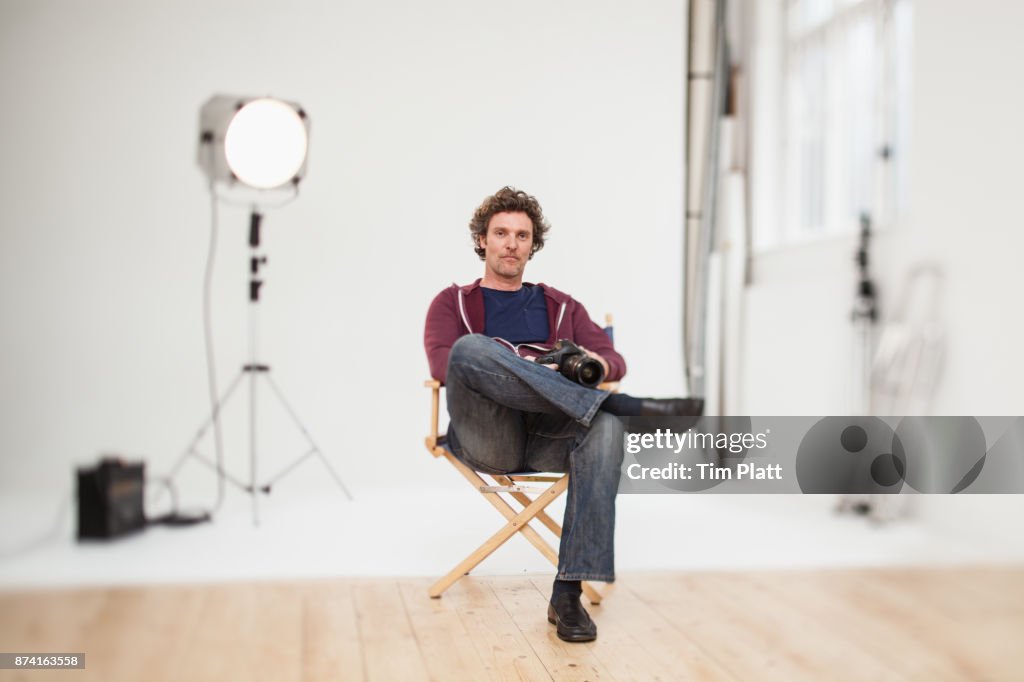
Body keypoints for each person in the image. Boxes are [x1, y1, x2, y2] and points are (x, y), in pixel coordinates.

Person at [423, 186, 701, 643]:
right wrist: (532, 368)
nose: (512, 243)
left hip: (550, 435)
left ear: (533, 245)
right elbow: (443, 366)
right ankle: (624, 405)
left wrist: (586, 367)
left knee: (607, 428)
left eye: (522, 235)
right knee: (470, 349)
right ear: (482, 241)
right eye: (501, 233)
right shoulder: (451, 303)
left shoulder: (563, 306)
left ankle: (567, 594)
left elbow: (614, 361)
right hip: (489, 436)